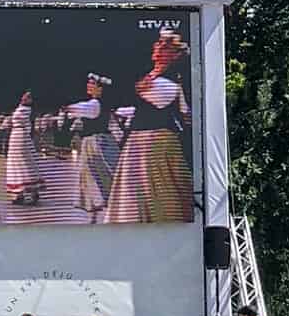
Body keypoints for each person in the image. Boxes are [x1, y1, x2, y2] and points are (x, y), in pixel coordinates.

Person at [105, 29, 194, 224]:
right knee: (135, 190)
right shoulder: (154, 77)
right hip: (139, 141)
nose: (159, 47)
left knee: (157, 190)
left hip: (156, 142)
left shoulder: (169, 82)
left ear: (175, 54)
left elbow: (147, 94)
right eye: (159, 43)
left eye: (166, 45)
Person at [65, 73, 119, 223]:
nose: (89, 86)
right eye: (88, 83)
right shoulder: (101, 105)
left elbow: (78, 109)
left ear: (100, 89)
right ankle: (95, 211)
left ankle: (99, 210)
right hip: (101, 142)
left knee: (94, 175)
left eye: (92, 84)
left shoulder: (95, 104)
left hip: (95, 144)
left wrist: (67, 108)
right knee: (96, 175)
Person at [0, 91, 42, 206]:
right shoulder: (20, 109)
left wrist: (4, 123)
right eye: (25, 95)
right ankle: (18, 193)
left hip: (21, 137)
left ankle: (32, 191)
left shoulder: (26, 110)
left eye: (28, 96)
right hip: (15, 137)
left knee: (25, 163)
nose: (25, 97)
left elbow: (15, 121)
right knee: (16, 164)